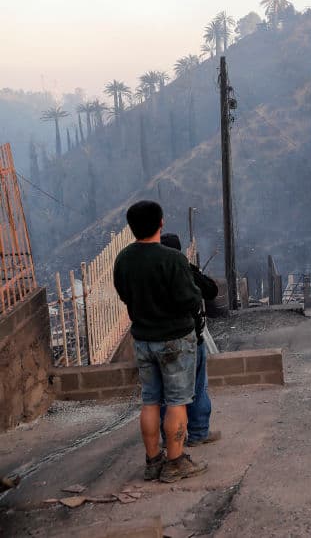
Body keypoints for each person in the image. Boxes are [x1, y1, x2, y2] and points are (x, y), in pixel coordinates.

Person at [113, 201, 207, 483]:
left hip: (142, 340)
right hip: (175, 341)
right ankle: (176, 462)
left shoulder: (124, 260)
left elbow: (124, 294)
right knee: (177, 402)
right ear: (161, 223)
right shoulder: (173, 259)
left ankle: (153, 461)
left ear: (131, 228)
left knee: (151, 401)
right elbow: (190, 298)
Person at [159, 233, 221, 447]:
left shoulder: (152, 273)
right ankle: (198, 432)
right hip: (188, 337)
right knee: (197, 386)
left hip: (159, 340)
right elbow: (211, 291)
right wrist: (192, 268)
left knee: (165, 393)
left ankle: (169, 439)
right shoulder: (184, 270)